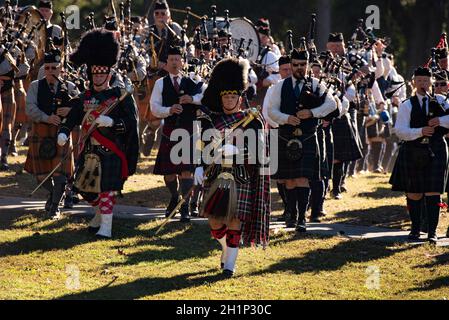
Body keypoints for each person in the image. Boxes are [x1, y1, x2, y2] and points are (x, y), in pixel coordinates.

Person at [57, 28, 139, 238]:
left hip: (111, 151)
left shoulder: (120, 96)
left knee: (107, 189)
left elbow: (131, 123)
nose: (98, 76)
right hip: (89, 150)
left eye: (102, 73)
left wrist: (112, 122)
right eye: (95, 73)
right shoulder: (85, 97)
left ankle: (106, 228)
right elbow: (73, 117)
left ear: (109, 74)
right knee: (83, 189)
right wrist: (64, 132)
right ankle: (99, 215)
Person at [195, 57, 270, 276]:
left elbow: (260, 151)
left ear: (240, 97)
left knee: (235, 220)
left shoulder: (252, 120)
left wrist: (238, 152)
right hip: (216, 175)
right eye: (226, 96)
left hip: (241, 176)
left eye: (233, 96)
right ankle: (226, 247)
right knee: (215, 222)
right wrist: (198, 166)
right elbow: (201, 145)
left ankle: (230, 266)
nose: (229, 100)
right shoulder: (211, 119)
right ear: (220, 97)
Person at [268, 47, 337, 232]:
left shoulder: (316, 84)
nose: (300, 68)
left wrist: (312, 112)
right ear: (290, 65)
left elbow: (332, 104)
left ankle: (301, 218)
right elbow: (271, 111)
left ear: (307, 65)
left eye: (303, 65)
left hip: (307, 137)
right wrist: (286, 118)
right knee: (289, 180)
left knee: (303, 179)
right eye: (296, 65)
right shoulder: (280, 87)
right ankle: (290, 212)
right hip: (286, 136)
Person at [390, 67, 449, 244]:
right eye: (419, 81)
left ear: (431, 83)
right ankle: (415, 229)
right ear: (413, 83)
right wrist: (420, 131)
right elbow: (400, 131)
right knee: (414, 192)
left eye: (426, 81)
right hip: (413, 150)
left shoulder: (442, 101)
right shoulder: (406, 104)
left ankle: (432, 232)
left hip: (437, 149)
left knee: (433, 192)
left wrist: (440, 120)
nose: (423, 84)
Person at [150, 46, 205, 222]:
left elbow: (206, 95)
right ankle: (174, 197)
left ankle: (185, 206)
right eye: (171, 60)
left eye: (177, 59)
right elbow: (154, 108)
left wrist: (192, 99)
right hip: (170, 131)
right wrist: (169, 109)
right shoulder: (160, 83)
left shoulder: (193, 80)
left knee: (186, 171)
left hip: (188, 131)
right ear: (166, 64)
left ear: (182, 62)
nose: (174, 62)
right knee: (169, 173)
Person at [24, 47, 78, 218]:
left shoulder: (69, 86)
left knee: (59, 173)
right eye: (47, 68)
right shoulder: (35, 86)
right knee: (41, 175)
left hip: (61, 133)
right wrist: (47, 118)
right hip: (41, 131)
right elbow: (30, 108)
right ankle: (53, 194)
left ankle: (55, 207)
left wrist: (70, 110)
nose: (50, 71)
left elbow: (80, 107)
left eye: (54, 67)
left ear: (61, 68)